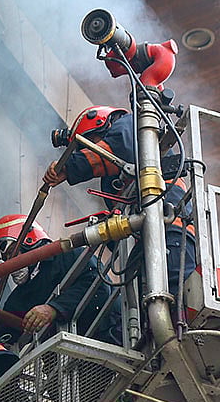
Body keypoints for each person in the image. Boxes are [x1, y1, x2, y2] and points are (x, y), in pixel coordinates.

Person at [43, 105, 197, 300]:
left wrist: (70, 167)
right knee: (146, 310)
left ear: (102, 124)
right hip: (146, 241)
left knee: (177, 300)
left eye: (90, 144)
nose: (92, 151)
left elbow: (121, 145)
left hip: (170, 230)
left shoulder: (132, 126)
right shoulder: (112, 180)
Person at [0, 214, 117, 344]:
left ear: (29, 240)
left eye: (11, 253)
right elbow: (1, 334)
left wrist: (54, 309)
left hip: (112, 337)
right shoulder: (17, 300)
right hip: (76, 360)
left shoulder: (69, 256)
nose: (9, 263)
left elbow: (98, 287)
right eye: (5, 259)